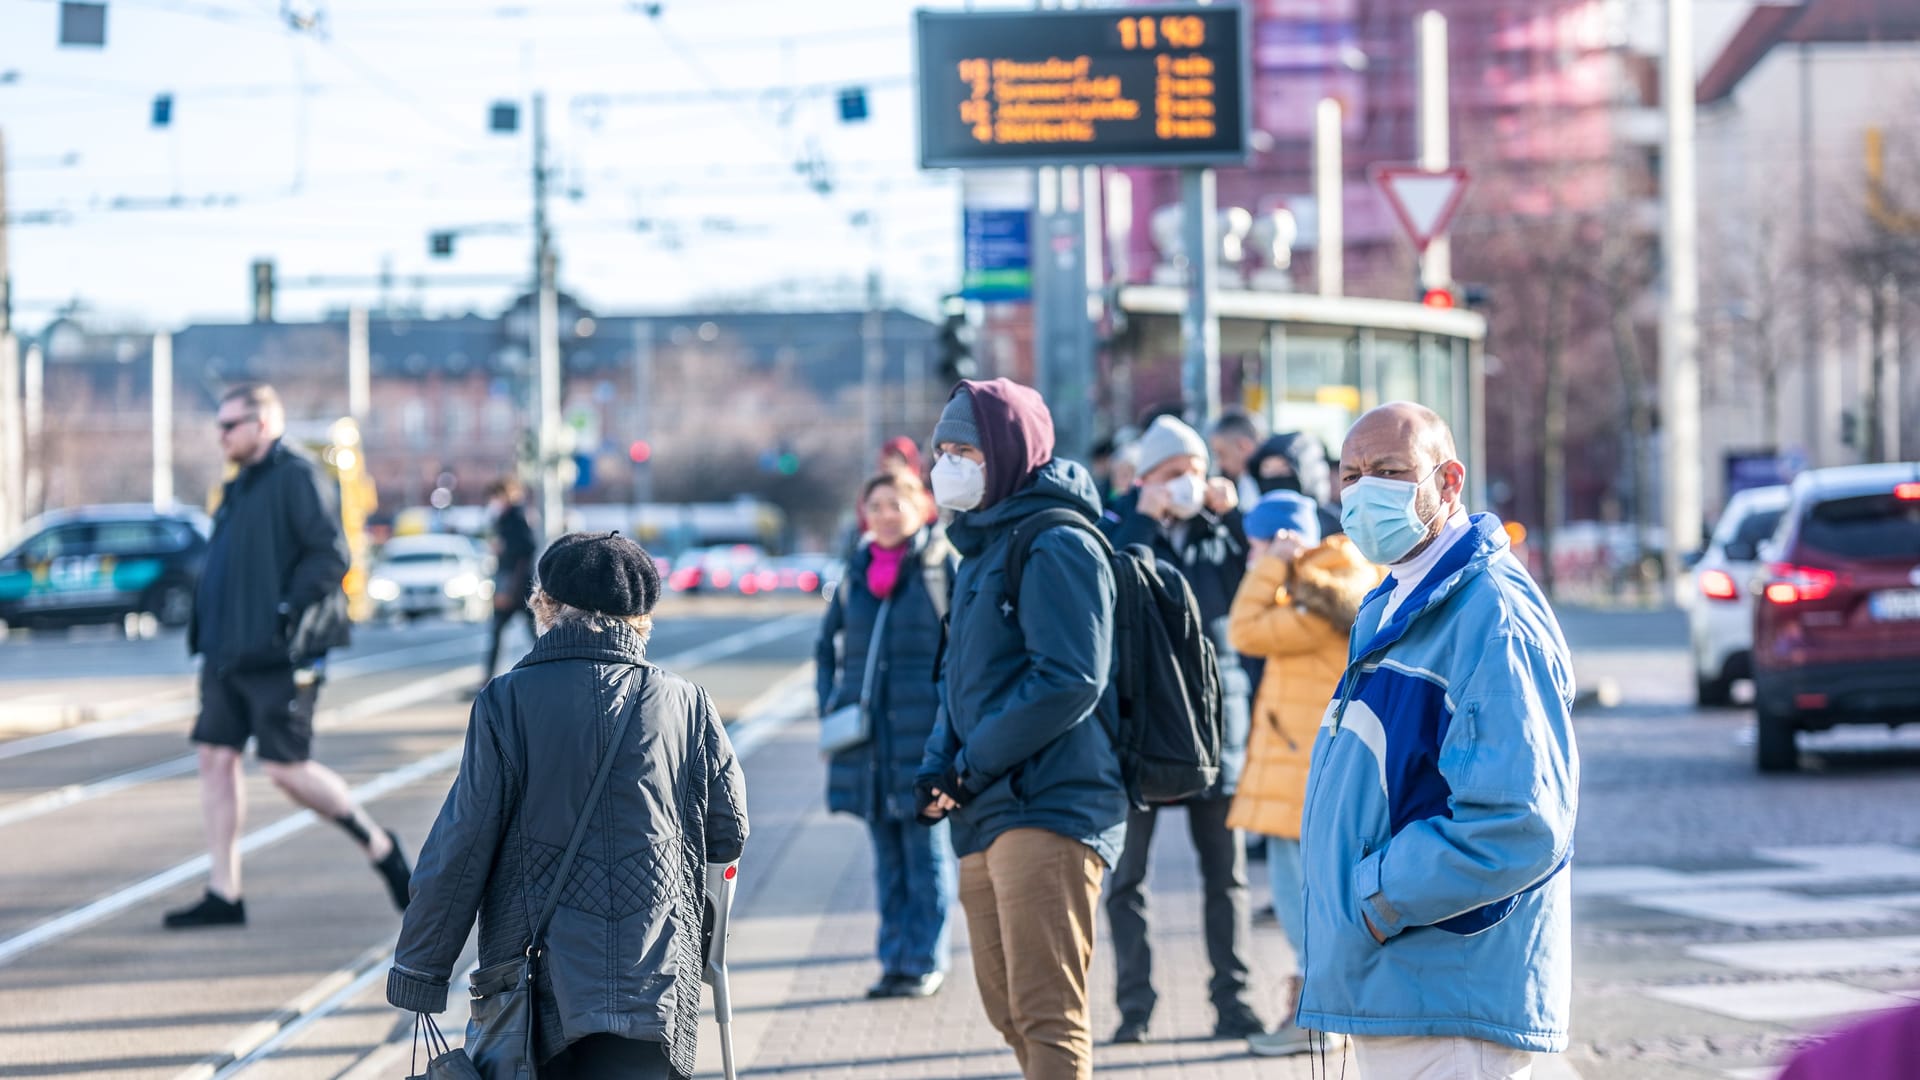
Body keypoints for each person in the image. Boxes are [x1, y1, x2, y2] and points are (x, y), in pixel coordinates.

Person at [388, 532, 749, 1080]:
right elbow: (729, 831)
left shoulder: (507, 701)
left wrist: (421, 969)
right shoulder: (686, 702)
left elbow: (462, 843)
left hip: (539, 992)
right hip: (656, 981)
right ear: (641, 618)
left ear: (546, 606)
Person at [1299, 402, 1578, 1079]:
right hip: (1406, 987)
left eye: (1390, 471)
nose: (1365, 490)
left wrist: (1373, 897)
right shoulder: (1400, 601)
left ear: (1448, 481)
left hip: (1450, 1001)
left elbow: (1521, 824)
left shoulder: (1489, 615)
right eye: (1352, 474)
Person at [916, 378, 1127, 1080]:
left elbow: (1071, 677)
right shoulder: (980, 547)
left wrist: (969, 765)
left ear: (1009, 451)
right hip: (986, 805)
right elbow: (960, 678)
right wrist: (936, 765)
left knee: (1046, 1013)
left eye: (965, 448)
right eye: (942, 449)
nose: (948, 463)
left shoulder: (1057, 540)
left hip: (1050, 800)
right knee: (1006, 1007)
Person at [167, 383, 408, 929]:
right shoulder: (240, 485)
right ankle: (224, 892)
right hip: (226, 652)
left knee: (285, 770)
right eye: (220, 425)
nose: (221, 435)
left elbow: (330, 554)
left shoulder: (296, 477)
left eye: (230, 425)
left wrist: (283, 612)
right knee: (214, 757)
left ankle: (379, 846)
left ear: (262, 424)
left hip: (277, 654)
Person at [1098, 413, 1266, 1044]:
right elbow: (1118, 591)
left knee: (1227, 878)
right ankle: (1134, 1009)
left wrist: (1223, 515)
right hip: (1141, 729)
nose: (1188, 484)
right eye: (1174, 474)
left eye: (1196, 471)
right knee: (1126, 880)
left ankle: (1234, 1003)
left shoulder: (1219, 535)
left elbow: (1237, 594)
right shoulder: (1120, 528)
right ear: (1145, 478)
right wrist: (1144, 515)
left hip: (1217, 728)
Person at [1225, 490, 1382, 1058]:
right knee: (1304, 897)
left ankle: (1315, 1018)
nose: (1252, 555)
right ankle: (1316, 1013)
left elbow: (1243, 630)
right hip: (1300, 766)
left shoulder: (1318, 596)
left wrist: (1273, 566)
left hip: (1302, 772)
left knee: (1302, 901)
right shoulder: (1327, 581)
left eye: (1257, 544)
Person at [816, 470, 957, 1000]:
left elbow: (964, 650)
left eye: (894, 504)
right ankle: (895, 960)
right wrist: (832, 701)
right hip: (870, 743)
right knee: (888, 861)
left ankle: (925, 959)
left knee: (926, 857)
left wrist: (954, 723)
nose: (884, 515)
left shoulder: (942, 566)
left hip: (926, 739)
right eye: (874, 506)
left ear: (919, 507)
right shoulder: (856, 573)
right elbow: (824, 647)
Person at [481, 477, 537, 681]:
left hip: (517, 586)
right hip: (511, 584)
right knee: (500, 631)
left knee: (533, 633)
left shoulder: (516, 516)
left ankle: (554, 670)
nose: (493, 502)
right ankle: (487, 678)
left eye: (496, 497)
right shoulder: (504, 519)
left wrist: (504, 548)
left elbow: (526, 549)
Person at [1246, 430, 1343, 538]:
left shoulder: (1337, 528)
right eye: (1267, 469)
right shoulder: (1252, 522)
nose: (1275, 476)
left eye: (1284, 468)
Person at [1207, 409, 1268, 509]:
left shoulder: (1276, 483)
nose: (1220, 463)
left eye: (1222, 454)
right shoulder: (1239, 480)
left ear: (1244, 446)